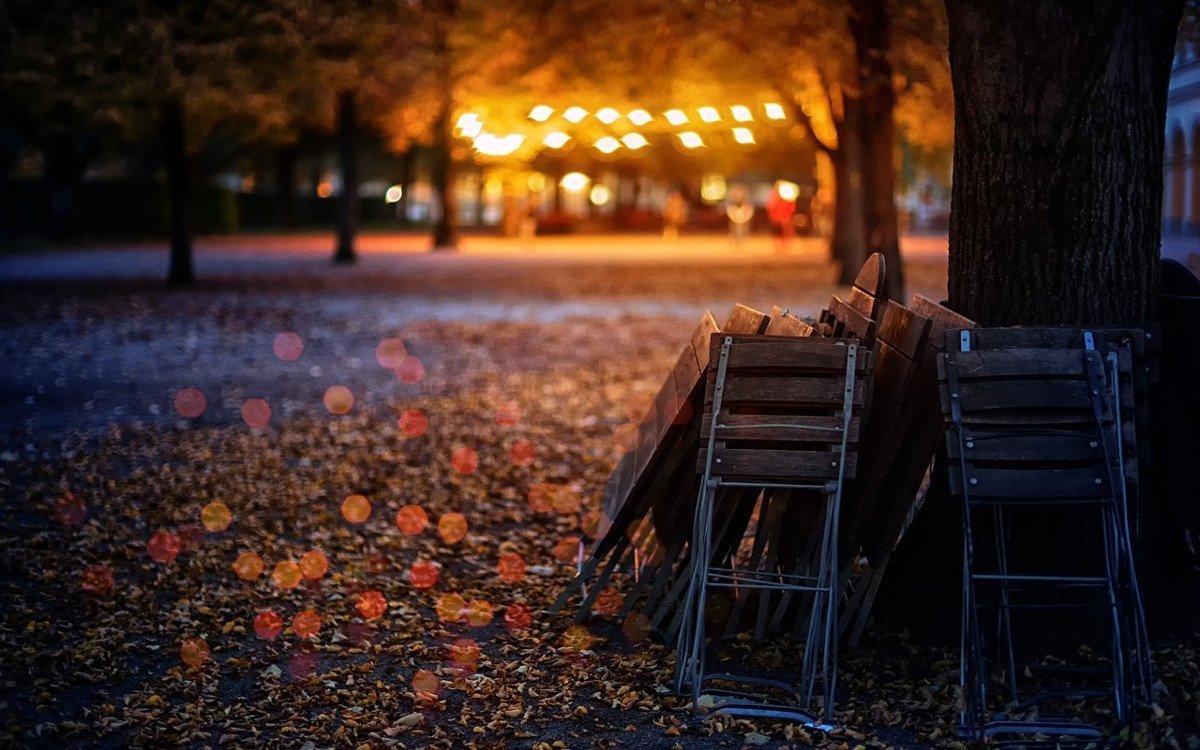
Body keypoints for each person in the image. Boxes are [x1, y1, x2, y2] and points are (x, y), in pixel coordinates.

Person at [766, 180, 797, 254]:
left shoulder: (787, 195)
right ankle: (779, 247)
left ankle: (785, 247)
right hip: (776, 218)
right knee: (777, 232)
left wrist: (787, 216)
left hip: (785, 218)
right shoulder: (773, 197)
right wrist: (774, 217)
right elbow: (770, 207)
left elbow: (791, 206)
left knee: (785, 232)